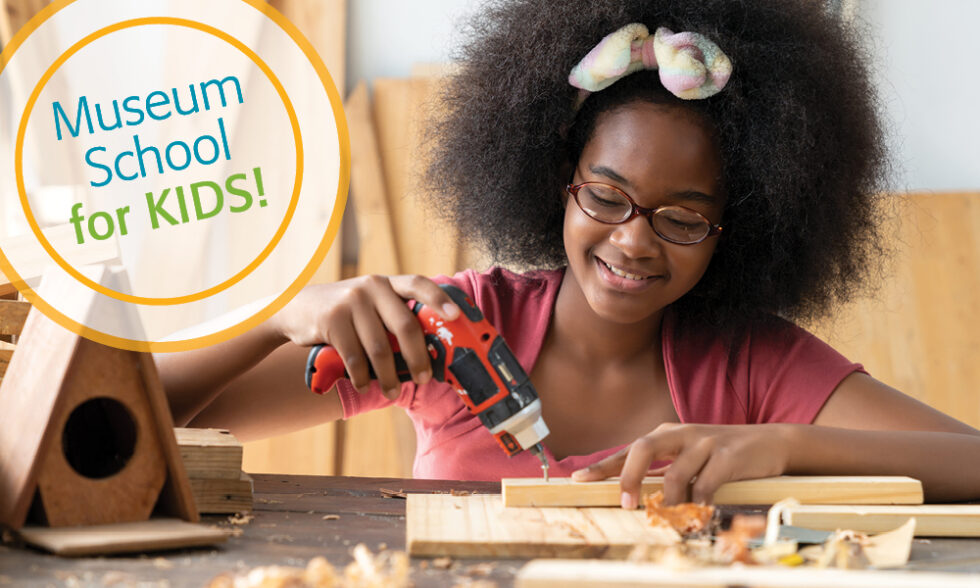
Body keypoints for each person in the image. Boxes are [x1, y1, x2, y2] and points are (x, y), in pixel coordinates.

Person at [159, 0, 980, 507]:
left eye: (683, 217)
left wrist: (781, 445)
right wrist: (280, 316)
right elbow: (139, 426)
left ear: (741, 225)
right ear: (558, 179)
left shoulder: (752, 368)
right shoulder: (456, 328)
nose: (633, 239)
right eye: (606, 196)